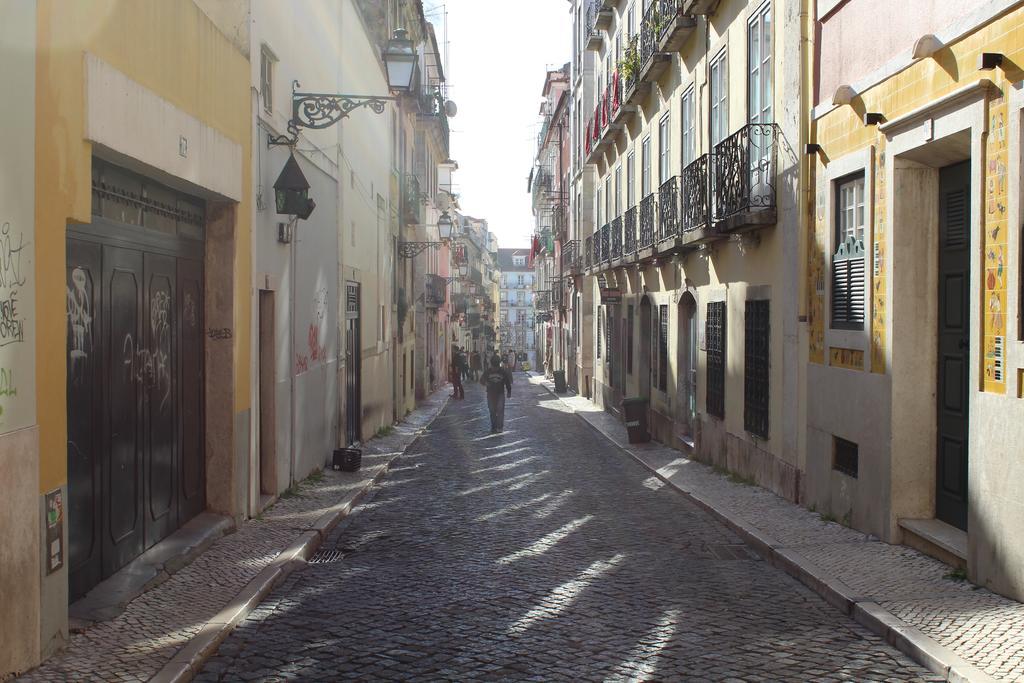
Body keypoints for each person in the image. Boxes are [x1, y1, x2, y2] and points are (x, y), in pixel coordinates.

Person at [480, 355, 512, 433]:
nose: (495, 369)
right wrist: (486, 383)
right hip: (491, 394)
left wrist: (509, 391)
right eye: (494, 367)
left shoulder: (502, 371)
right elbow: (481, 380)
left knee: (500, 410)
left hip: (500, 393)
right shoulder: (488, 371)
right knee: (492, 411)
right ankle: (494, 427)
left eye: (496, 367)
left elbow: (507, 382)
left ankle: (499, 427)